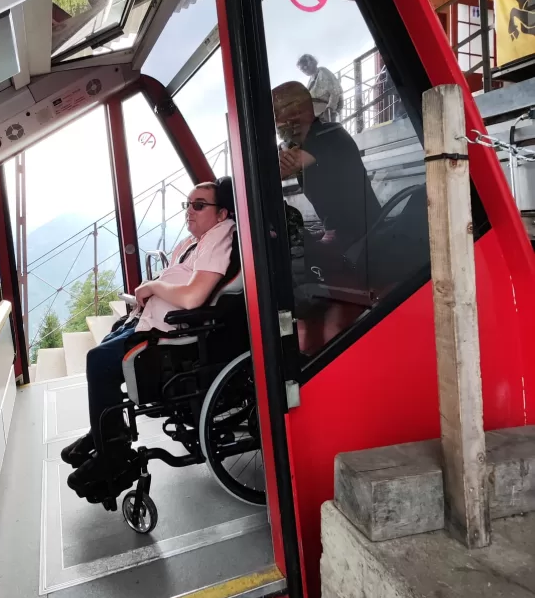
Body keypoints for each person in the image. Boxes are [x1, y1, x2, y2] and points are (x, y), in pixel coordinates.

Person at [64, 178, 236, 501]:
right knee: (105, 347)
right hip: (150, 318)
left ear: (222, 213)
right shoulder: (191, 242)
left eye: (199, 205)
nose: (190, 211)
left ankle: (111, 456)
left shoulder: (220, 238)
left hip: (172, 332)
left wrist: (154, 287)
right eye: (188, 204)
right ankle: (103, 434)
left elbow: (193, 297)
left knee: (98, 362)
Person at [272, 81, 380, 256]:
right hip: (342, 229)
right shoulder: (304, 142)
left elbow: (280, 171)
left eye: (277, 119)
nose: (277, 127)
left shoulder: (329, 135)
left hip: (361, 233)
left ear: (295, 115)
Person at [297, 54, 343, 123]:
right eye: (302, 69)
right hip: (314, 117)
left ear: (311, 62)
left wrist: (330, 109)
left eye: (305, 66)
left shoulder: (323, 72)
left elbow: (335, 90)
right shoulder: (311, 80)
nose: (304, 70)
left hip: (324, 114)